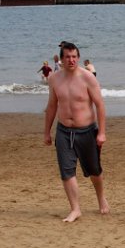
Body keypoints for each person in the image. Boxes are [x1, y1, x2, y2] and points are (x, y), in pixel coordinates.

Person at [44, 40, 109, 222]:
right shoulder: (54, 79)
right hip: (64, 131)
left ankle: (101, 198)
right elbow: (51, 107)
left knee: (94, 170)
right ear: (62, 60)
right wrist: (47, 132)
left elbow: (100, 105)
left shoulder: (88, 78)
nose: (71, 60)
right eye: (68, 57)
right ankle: (75, 209)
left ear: (78, 58)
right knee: (67, 171)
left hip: (87, 131)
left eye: (74, 57)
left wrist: (102, 132)